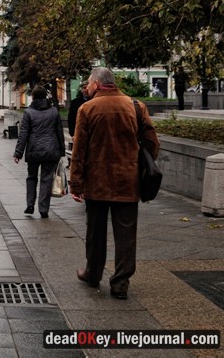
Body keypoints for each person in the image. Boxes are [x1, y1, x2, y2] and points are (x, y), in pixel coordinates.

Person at [69, 67, 160, 300]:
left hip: (97, 182)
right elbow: (152, 143)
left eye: (89, 83)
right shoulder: (136, 106)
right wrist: (136, 164)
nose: (87, 87)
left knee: (95, 233)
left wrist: (76, 183)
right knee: (126, 236)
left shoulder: (87, 109)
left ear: (97, 84)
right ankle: (120, 283)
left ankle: (93, 273)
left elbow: (79, 150)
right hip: (127, 182)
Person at [13, 85, 65, 218]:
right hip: (51, 150)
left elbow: (23, 134)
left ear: (33, 97)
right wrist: (61, 151)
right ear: (45, 97)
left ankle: (30, 205)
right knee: (46, 179)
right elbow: (59, 132)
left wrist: (18, 153)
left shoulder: (28, 112)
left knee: (31, 177)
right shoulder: (54, 111)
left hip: (33, 150)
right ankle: (43, 209)